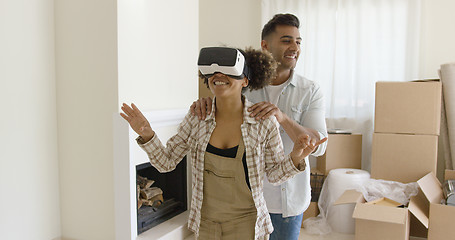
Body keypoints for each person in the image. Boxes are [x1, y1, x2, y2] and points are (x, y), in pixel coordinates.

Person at [120, 47, 327, 240]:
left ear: (245, 80)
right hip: (206, 224)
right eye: (213, 71)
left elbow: (273, 175)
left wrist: (297, 156)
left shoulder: (263, 123)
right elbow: (166, 163)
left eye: (227, 70)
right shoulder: (197, 117)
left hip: (247, 223)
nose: (218, 75)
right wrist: (147, 134)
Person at [191, 14, 328, 240]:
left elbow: (319, 145)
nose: (294, 47)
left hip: (287, 205)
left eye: (298, 41)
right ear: (265, 45)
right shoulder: (242, 85)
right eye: (286, 40)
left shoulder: (310, 90)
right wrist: (205, 103)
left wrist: (283, 118)